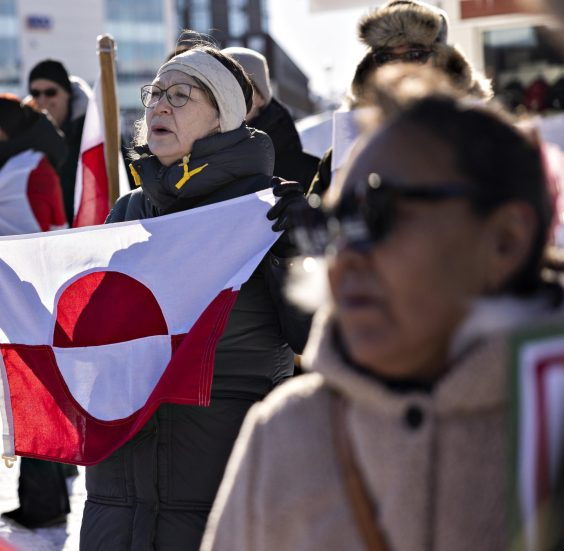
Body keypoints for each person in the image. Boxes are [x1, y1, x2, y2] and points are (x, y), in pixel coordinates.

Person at [202, 65, 561, 550]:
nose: (344, 256)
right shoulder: (285, 433)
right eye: (330, 221)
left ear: (505, 240)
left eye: (377, 211)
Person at [73, 44, 311, 550]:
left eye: (180, 96)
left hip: (216, 484)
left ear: (223, 117)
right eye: (155, 94)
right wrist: (12, 297)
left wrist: (300, 253)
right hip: (119, 492)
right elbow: (89, 344)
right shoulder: (128, 210)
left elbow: (317, 337)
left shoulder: (265, 210)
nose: (158, 106)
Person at [0, 93, 70, 529]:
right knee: (28, 400)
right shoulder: (14, 165)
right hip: (11, 299)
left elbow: (56, 230)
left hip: (31, 302)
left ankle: (44, 503)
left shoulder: (29, 167)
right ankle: (43, 498)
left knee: (35, 401)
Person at [308, 0, 492, 198]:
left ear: (441, 61)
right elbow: (328, 220)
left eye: (415, 55)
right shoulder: (348, 153)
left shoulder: (488, 136)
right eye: (386, 57)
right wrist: (304, 211)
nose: (401, 67)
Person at [223, 47, 319, 186]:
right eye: (221, 87)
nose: (228, 95)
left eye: (239, 86)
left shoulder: (306, 171)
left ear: (261, 97)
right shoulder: (199, 157)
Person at [27, 59, 92, 222]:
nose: (42, 100)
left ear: (67, 94)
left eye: (50, 92)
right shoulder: (27, 139)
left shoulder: (94, 132)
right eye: (35, 93)